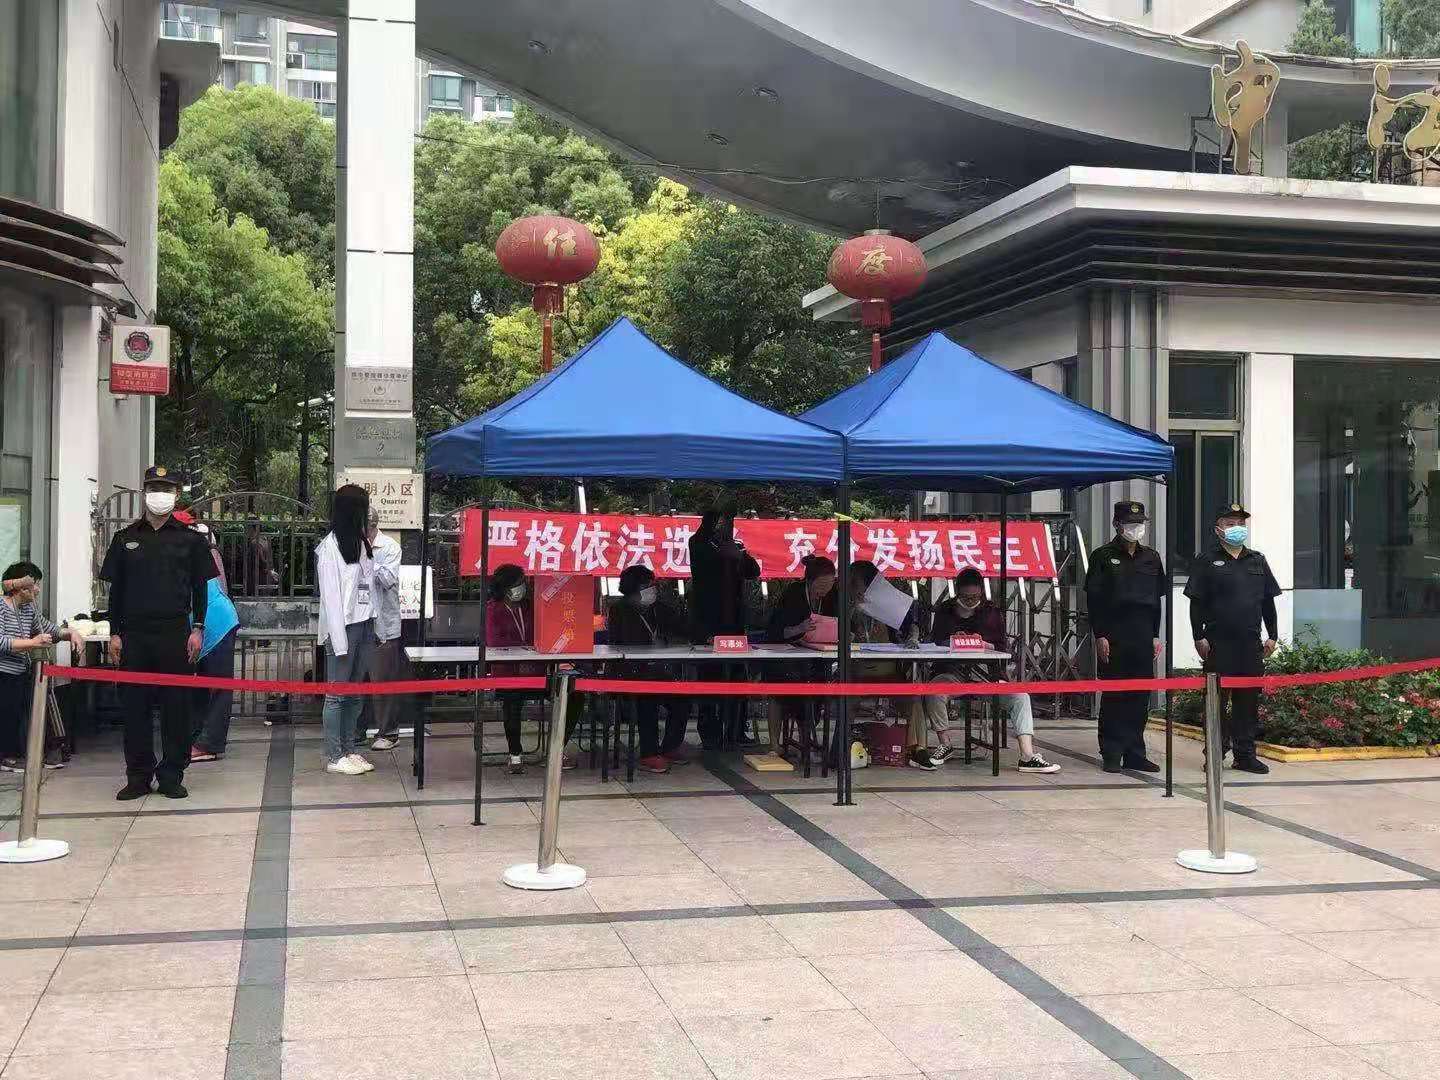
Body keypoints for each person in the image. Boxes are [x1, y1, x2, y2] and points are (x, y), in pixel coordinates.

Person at [100, 466, 216, 800]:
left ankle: (171, 774)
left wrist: (198, 629)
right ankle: (138, 776)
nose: (159, 495)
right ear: (144, 493)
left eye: (166, 489)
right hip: (134, 634)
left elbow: (200, 589)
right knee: (134, 707)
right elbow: (115, 592)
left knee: (176, 708)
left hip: (175, 632)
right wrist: (114, 633)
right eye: (153, 488)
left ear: (177, 495)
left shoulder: (191, 540)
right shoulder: (125, 538)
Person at [923, 568, 1061, 774]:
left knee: (1020, 697)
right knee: (934, 691)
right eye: (965, 597)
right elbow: (934, 642)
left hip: (986, 676)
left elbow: (1003, 648)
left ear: (981, 593)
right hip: (953, 673)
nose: (970, 601)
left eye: (974, 597)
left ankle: (1027, 755)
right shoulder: (945, 611)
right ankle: (945, 743)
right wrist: (953, 640)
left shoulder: (992, 613)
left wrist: (983, 644)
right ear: (957, 593)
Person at [1183, 502, 1281, 775]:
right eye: (1230, 524)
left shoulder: (1257, 560)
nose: (1237, 528)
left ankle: (1245, 755)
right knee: (1216, 703)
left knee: (1247, 703)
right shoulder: (1206, 560)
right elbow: (1196, 603)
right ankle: (1215, 753)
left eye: (1240, 523)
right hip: (1218, 643)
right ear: (1218, 530)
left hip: (1250, 643)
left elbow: (1268, 601)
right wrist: (1198, 636)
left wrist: (1273, 635)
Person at [1085, 500, 1167, 773]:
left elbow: (1156, 600)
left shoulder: (1151, 557)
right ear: (1116, 525)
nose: (1136, 527)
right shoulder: (1102, 556)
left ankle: (1135, 752)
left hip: (1142, 634)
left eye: (1139, 523)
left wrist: (1155, 635)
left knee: (1139, 697)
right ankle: (1112, 751)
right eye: (1130, 523)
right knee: (1115, 696)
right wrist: (1100, 635)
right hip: (1114, 634)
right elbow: (1094, 600)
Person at [315, 484, 377, 777]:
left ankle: (350, 748)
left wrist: (375, 625)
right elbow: (331, 598)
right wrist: (339, 640)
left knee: (355, 693)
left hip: (364, 625)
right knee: (337, 694)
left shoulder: (361, 543)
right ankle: (335, 754)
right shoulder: (329, 548)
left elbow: (368, 587)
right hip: (342, 628)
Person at [688, 500, 760, 748]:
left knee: (738, 678)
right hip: (709, 624)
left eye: (727, 522)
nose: (724, 527)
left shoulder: (733, 547)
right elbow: (705, 563)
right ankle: (711, 733)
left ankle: (736, 730)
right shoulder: (698, 544)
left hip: (734, 623)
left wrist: (739, 553)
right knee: (710, 679)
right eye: (720, 522)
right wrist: (725, 552)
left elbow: (753, 571)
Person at [607, 565, 692, 773]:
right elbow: (625, 642)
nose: (652, 590)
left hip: (656, 672)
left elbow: (683, 626)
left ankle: (670, 747)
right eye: (646, 586)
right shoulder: (619, 610)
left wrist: (704, 637)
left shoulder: (658, 609)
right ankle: (649, 753)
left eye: (652, 585)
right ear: (632, 589)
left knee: (683, 699)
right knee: (648, 697)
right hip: (629, 673)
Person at [0, 563, 84, 773]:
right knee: (8, 715)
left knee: (26, 715)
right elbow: (1, 641)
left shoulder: (28, 609)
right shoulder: (1, 606)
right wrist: (33, 642)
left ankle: (32, 753)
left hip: (21, 672)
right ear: (21, 586)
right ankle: (7, 757)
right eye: (34, 584)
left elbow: (50, 630)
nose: (37, 589)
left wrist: (71, 633)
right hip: (3, 673)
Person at [178, 516, 241, 763]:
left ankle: (209, 744)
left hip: (217, 624)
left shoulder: (189, 555)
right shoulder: (195, 552)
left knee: (218, 687)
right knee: (201, 688)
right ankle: (198, 738)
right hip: (206, 625)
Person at [764, 555, 836, 757]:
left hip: (815, 655)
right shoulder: (793, 594)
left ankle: (807, 739)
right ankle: (774, 743)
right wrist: (799, 628)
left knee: (819, 686)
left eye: (829, 585)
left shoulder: (832, 596)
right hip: (783, 654)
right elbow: (775, 632)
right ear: (809, 581)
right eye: (821, 585)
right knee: (779, 690)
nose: (825, 590)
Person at [365, 507, 405, 751]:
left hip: (384, 625)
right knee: (357, 681)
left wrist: (367, 557)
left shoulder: (389, 547)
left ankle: (388, 733)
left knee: (383, 681)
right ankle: (356, 732)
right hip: (359, 623)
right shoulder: (349, 547)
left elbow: (387, 580)